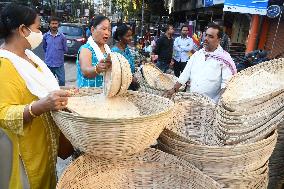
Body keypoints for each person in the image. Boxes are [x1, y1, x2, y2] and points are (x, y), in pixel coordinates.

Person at [0, 4, 70, 189]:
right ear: (23, 30)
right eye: (38, 27)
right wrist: (39, 107)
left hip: (45, 147)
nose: (41, 32)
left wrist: (63, 92)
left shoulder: (30, 57)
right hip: (25, 152)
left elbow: (43, 88)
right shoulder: (5, 65)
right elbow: (3, 113)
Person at [166, 23, 237, 103]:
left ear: (219, 40)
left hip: (212, 105)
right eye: (206, 35)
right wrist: (174, 89)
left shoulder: (224, 59)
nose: (206, 38)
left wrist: (220, 103)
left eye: (211, 36)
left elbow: (227, 84)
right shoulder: (197, 54)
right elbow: (185, 74)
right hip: (192, 101)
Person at [76, 15, 112, 88]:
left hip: (103, 94)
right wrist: (97, 68)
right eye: (104, 29)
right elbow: (85, 71)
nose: (107, 33)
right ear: (92, 30)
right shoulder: (86, 49)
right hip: (88, 94)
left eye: (109, 30)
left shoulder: (107, 49)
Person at [111, 24, 139, 90]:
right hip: (120, 86)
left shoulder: (126, 48)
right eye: (127, 36)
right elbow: (116, 72)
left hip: (129, 84)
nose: (131, 38)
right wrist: (130, 78)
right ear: (120, 37)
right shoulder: (115, 52)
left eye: (131, 35)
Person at [43, 16, 67, 86]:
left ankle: (61, 95)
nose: (54, 25)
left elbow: (65, 49)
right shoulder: (45, 36)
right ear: (49, 25)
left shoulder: (62, 37)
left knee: (62, 81)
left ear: (58, 25)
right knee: (50, 83)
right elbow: (45, 48)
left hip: (59, 64)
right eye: (52, 23)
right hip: (49, 63)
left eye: (56, 23)